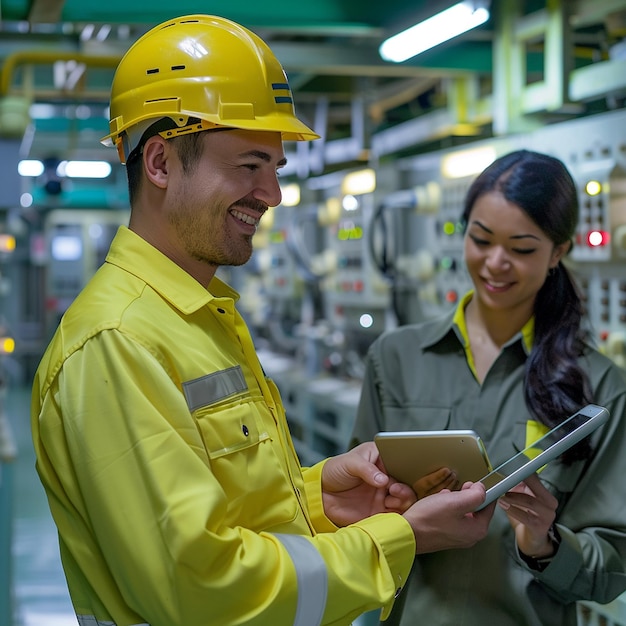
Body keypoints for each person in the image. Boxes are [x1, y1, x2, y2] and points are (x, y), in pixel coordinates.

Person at [30, 15, 495, 626]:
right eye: (250, 165)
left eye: (274, 168)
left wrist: (322, 496)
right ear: (162, 162)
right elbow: (201, 584)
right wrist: (398, 539)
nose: (272, 194)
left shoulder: (202, 319)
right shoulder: (117, 343)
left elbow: (231, 512)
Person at [351, 148, 626, 626]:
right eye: (481, 240)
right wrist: (392, 503)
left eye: (521, 249)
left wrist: (545, 541)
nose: (496, 263)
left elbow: (612, 569)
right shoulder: (395, 359)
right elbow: (351, 511)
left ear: (558, 252)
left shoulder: (600, 386)